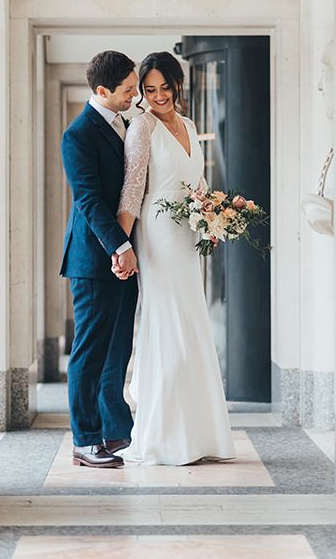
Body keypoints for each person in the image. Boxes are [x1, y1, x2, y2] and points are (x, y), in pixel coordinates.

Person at [114, 51, 236, 465]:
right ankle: (165, 434)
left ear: (177, 85)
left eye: (165, 87)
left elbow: (198, 182)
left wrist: (212, 219)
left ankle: (201, 434)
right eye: (149, 90)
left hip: (188, 232)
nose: (158, 95)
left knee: (193, 321)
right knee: (168, 324)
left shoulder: (189, 125)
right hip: (158, 231)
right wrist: (120, 243)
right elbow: (132, 188)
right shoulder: (141, 126)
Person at [60, 51, 139, 468]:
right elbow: (88, 200)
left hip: (127, 256)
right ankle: (84, 438)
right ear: (102, 91)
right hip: (95, 259)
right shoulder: (78, 135)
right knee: (89, 352)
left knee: (117, 349)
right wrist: (119, 247)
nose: (134, 96)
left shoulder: (125, 123)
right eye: (127, 91)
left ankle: (112, 431)